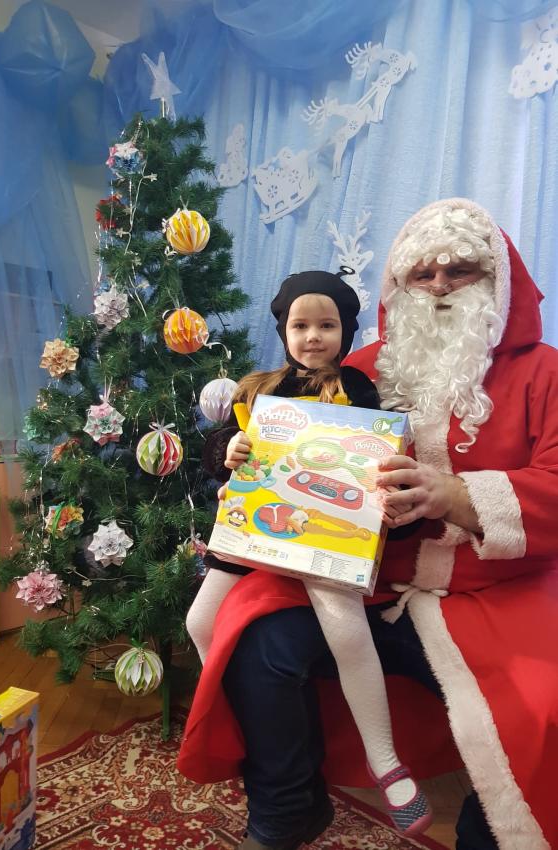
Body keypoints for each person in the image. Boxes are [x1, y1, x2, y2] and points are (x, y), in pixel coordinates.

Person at [178, 198, 558, 850]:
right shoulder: (357, 370)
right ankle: (288, 810)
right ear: (399, 284)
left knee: (544, 703)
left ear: (496, 278)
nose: (439, 286)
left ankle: (490, 836)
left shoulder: (544, 372)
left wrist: (455, 495)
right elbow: (279, 456)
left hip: (492, 594)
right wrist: (236, 460)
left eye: (459, 270)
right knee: (255, 643)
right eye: (422, 273)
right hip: (365, 582)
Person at [186, 271, 431, 842]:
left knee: (345, 628)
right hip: (254, 529)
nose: (313, 336)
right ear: (283, 331)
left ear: (346, 332)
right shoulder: (259, 388)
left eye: (327, 325)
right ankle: (236, 725)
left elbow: (377, 452)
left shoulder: (357, 388)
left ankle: (385, 760)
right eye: (300, 325)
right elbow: (219, 451)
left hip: (323, 534)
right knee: (199, 620)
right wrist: (229, 450)